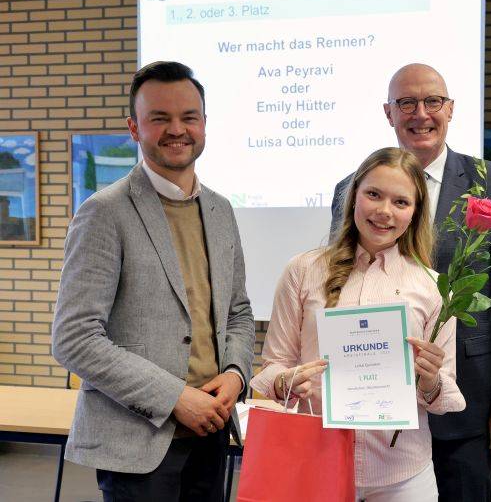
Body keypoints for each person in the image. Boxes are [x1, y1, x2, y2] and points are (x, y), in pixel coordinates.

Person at [51, 61, 255, 502]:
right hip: (138, 444)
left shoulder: (222, 211)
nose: (176, 129)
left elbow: (238, 312)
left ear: (204, 124)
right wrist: (174, 398)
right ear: (134, 127)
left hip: (213, 434)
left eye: (189, 117)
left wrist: (237, 375)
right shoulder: (104, 213)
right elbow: (74, 338)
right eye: (159, 118)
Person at [331, 64, 491, 501]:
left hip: (468, 405)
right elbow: (339, 285)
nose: (420, 113)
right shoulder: (351, 189)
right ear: (389, 113)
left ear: (451, 109)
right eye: (406, 103)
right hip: (375, 412)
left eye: (432, 101)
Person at [252, 147, 465, 500]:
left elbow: (445, 396)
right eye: (373, 194)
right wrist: (287, 381)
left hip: (402, 473)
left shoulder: (433, 287)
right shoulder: (303, 271)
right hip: (315, 459)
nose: (384, 211)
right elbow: (273, 366)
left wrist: (429, 381)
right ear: (353, 198)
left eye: (400, 202)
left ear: (414, 213)